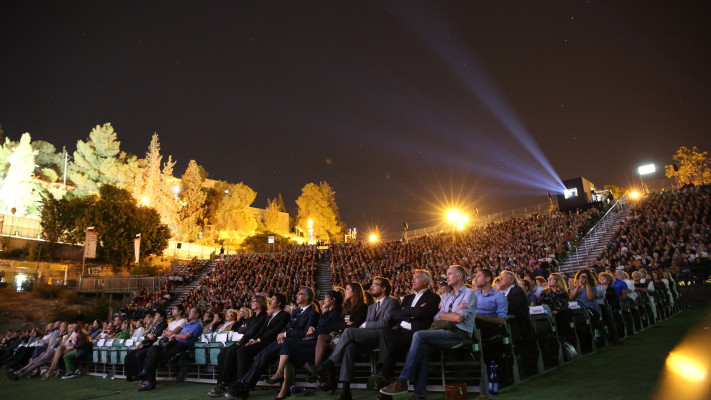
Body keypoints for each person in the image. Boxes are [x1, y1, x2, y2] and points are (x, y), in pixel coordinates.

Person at [380, 265, 477, 400]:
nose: (446, 276)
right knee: (422, 348)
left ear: (459, 276)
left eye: (449, 274)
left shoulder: (469, 293)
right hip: (443, 331)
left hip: (459, 334)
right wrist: (450, 313)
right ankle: (419, 394)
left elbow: (458, 318)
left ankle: (402, 380)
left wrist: (449, 314)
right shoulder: (449, 297)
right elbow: (437, 317)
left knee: (419, 335)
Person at [311, 277, 398, 400]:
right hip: (369, 336)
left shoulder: (392, 302)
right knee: (349, 347)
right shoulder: (372, 307)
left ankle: (329, 362)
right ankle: (346, 390)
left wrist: (365, 325)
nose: (371, 287)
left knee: (348, 331)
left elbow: (384, 323)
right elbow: (352, 325)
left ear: (384, 288)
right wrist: (364, 327)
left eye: (375, 284)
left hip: (383, 337)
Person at [227, 288, 319, 400]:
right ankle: (244, 384)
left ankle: (244, 385)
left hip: (295, 343)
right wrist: (282, 334)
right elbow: (287, 327)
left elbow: (306, 332)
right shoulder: (295, 311)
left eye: (300, 294)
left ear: (307, 297)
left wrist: (285, 334)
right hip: (284, 341)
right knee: (261, 355)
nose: (296, 296)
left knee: (264, 355)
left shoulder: (313, 313)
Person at [369, 270, 440, 392]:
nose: (412, 280)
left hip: (416, 333)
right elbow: (395, 314)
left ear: (425, 281)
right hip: (399, 331)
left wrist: (406, 312)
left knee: (391, 344)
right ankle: (386, 375)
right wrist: (413, 312)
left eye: (416, 278)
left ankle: (386, 373)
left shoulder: (433, 297)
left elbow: (422, 313)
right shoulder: (408, 298)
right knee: (386, 332)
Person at [271, 290, 345, 400]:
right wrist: (313, 328)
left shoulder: (335, 313)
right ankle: (282, 384)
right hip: (314, 340)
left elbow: (330, 329)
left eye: (326, 297)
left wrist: (315, 331)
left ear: (333, 300)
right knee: (288, 349)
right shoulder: (326, 313)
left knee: (289, 348)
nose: (324, 300)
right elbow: (322, 327)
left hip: (318, 344)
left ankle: (282, 380)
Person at [209, 295, 271, 398]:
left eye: (254, 301)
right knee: (222, 354)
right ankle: (222, 383)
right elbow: (240, 330)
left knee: (231, 352)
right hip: (243, 339)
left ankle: (227, 383)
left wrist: (246, 329)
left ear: (260, 303)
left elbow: (252, 331)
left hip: (251, 341)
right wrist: (245, 329)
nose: (252, 303)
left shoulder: (263, 316)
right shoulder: (254, 316)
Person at [137, 307, 203, 392]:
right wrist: (174, 337)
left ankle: (148, 378)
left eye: (192, 312)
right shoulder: (188, 324)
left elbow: (186, 337)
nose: (189, 313)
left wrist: (174, 335)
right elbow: (177, 335)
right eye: (189, 312)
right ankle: (146, 373)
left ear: (197, 315)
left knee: (153, 357)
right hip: (174, 343)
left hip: (182, 346)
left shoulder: (197, 325)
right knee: (153, 349)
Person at [124, 309, 168, 382]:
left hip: (153, 346)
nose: (155, 316)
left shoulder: (163, 324)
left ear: (162, 317)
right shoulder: (155, 324)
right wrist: (144, 339)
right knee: (129, 355)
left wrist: (148, 335)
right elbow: (147, 334)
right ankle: (131, 375)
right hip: (146, 343)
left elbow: (154, 336)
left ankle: (144, 378)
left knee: (138, 355)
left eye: (157, 315)